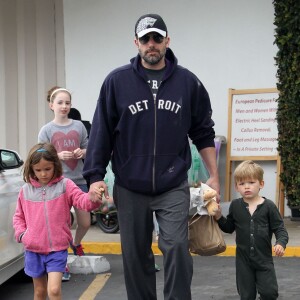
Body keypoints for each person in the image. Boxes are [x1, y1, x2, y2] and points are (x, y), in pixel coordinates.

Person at [83, 13, 219, 300]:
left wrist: (215, 176)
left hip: (173, 184)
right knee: (135, 258)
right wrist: (95, 177)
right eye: (146, 39)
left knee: (177, 248)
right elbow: (101, 133)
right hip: (130, 186)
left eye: (158, 38)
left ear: (167, 41)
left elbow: (204, 132)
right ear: (136, 43)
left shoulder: (187, 83)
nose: (152, 44)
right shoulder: (117, 82)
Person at [13, 142, 102, 300]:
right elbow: (19, 216)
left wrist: (93, 198)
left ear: (55, 165)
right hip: (33, 250)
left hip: (57, 249)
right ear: (31, 169)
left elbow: (83, 201)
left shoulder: (65, 185)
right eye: (38, 170)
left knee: (53, 290)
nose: (43, 174)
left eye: (47, 169)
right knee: (39, 292)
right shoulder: (25, 190)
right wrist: (22, 235)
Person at [214, 160, 289, 300]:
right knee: (246, 296)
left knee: (269, 293)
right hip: (243, 262)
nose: (246, 187)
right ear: (236, 187)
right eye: (242, 184)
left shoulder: (269, 206)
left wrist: (280, 243)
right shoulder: (235, 206)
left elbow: (280, 229)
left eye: (251, 182)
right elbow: (229, 228)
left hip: (264, 260)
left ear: (261, 184)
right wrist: (218, 217)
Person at [38, 86, 91, 280]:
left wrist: (82, 152)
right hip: (57, 183)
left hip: (79, 181)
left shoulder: (79, 126)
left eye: (67, 103)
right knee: (62, 224)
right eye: (60, 102)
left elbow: (88, 148)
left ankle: (75, 244)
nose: (64, 106)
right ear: (51, 105)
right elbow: (40, 156)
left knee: (84, 222)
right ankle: (62, 263)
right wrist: (57, 155)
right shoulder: (46, 130)